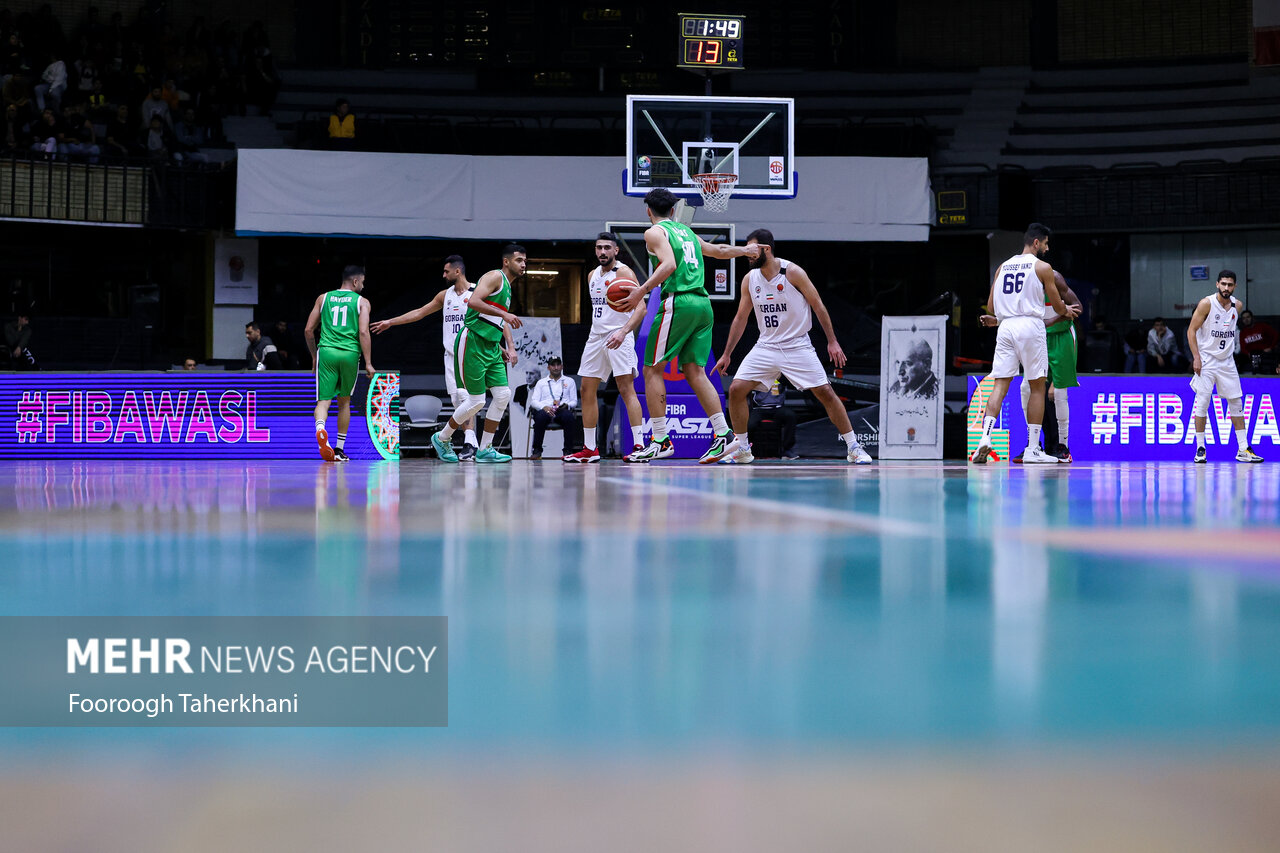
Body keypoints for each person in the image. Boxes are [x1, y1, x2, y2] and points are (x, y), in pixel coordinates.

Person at [616, 188, 760, 463]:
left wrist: (640, 291)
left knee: (651, 369)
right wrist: (745, 250)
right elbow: (717, 251)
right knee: (695, 371)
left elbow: (668, 264)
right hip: (703, 305)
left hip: (679, 301)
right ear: (673, 211)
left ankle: (659, 440)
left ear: (649, 211)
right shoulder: (687, 231)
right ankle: (724, 435)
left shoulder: (655, 233)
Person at [713, 229, 871, 464]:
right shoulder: (750, 279)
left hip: (797, 345)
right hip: (766, 346)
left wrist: (832, 341)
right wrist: (727, 353)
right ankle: (743, 449)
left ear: (766, 249)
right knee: (736, 389)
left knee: (825, 392)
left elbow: (818, 306)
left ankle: (854, 447)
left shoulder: (792, 272)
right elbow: (740, 318)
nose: (748, 254)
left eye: (751, 250)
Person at [972, 223, 1076, 464]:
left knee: (1000, 385)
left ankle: (984, 438)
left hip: (1005, 326)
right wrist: (1066, 310)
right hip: (1030, 325)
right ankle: (1032, 448)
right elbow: (1058, 304)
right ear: (1037, 242)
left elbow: (991, 308)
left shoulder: (1002, 267)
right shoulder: (1042, 267)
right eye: (1046, 244)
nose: (1048, 249)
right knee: (1038, 387)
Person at [371, 254, 483, 460]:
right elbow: (419, 313)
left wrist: (503, 346)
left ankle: (469, 443)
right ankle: (468, 443)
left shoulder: (478, 292)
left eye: (446, 271)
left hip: (470, 354)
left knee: (468, 398)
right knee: (458, 401)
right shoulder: (445, 295)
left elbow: (494, 317)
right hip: (450, 356)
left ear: (457, 271)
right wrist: (391, 322)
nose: (443, 274)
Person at [430, 244, 525, 463]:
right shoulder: (494, 276)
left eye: (525, 261)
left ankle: (485, 449)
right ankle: (442, 437)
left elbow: (501, 319)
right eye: (519, 260)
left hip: (491, 346)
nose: (523, 264)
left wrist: (509, 346)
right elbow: (473, 301)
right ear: (506, 261)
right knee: (476, 401)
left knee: (503, 396)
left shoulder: (508, 288)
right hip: (472, 341)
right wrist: (505, 314)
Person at [563, 232, 647, 462]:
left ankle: (640, 445)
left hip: (619, 334)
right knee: (586, 390)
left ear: (616, 251)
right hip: (596, 336)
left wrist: (623, 331)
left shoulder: (625, 273)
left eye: (607, 248)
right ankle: (590, 449)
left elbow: (641, 308)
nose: (602, 252)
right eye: (599, 248)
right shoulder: (592, 275)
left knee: (625, 388)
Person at [982, 271, 1082, 462]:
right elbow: (1017, 317)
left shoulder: (1055, 278)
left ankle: (1063, 446)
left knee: (1057, 393)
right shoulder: (1023, 287)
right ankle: (1033, 444)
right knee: (1026, 389)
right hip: (1037, 336)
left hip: (1061, 337)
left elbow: (1079, 308)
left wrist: (1050, 321)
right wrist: (997, 321)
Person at [1186, 270, 1263, 463]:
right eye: (1223, 284)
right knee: (1203, 403)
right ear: (1217, 284)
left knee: (1236, 403)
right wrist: (1196, 357)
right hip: (1207, 360)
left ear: (1235, 286)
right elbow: (1191, 331)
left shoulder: (1237, 306)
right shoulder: (1206, 304)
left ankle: (1243, 449)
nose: (1226, 288)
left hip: (1227, 361)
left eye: (1230, 285)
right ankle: (1200, 448)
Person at [304, 265, 376, 462]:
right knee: (344, 402)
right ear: (355, 281)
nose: (363, 285)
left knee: (323, 401)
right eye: (362, 282)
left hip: (327, 352)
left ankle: (320, 428)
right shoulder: (362, 302)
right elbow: (363, 332)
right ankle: (339, 449)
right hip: (350, 354)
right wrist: (368, 363)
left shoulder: (323, 298)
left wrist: (314, 356)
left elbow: (309, 330)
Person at [528, 356, 578, 459]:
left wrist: (567, 405)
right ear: (548, 368)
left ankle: (568, 451)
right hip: (546, 409)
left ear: (562, 366)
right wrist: (544, 407)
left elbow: (574, 401)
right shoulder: (541, 383)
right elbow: (533, 401)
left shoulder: (570, 381)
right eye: (553, 365)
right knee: (540, 417)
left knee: (569, 417)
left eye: (558, 365)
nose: (556, 367)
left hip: (561, 409)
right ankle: (537, 451)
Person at [747, 379, 798, 459]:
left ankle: (787, 450)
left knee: (790, 416)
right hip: (759, 408)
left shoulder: (781, 375)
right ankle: (748, 449)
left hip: (777, 407)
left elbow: (794, 386)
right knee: (750, 424)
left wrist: (782, 378)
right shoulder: (757, 375)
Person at [1238, 309, 1278, 373]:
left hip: (1263, 351)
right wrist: (1247, 353)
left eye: (1248, 317)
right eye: (1244, 318)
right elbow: (1243, 347)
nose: (1246, 320)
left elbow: (1276, 335)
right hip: (1251, 353)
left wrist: (1271, 347)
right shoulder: (1243, 332)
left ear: (1252, 318)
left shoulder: (1262, 326)